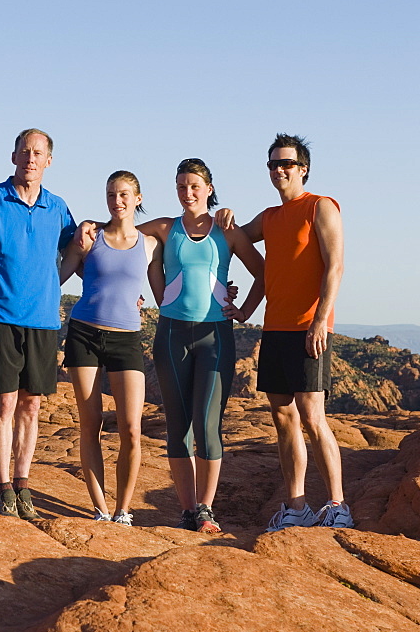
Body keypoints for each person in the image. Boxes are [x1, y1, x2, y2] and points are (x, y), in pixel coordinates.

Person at [142, 159, 265, 533]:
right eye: (181, 186)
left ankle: (206, 510)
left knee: (208, 426)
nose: (188, 192)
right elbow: (121, 235)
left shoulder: (227, 231)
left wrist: (245, 310)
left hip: (215, 336)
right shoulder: (165, 228)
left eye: (195, 186)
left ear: (209, 189)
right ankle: (186, 510)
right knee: (178, 427)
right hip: (171, 334)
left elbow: (264, 272)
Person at [239, 133, 353, 531]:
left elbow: (335, 266)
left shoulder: (321, 207)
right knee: (283, 416)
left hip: (309, 328)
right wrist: (220, 219)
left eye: (286, 163)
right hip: (275, 328)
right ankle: (297, 507)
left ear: (302, 168)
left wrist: (321, 320)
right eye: (273, 164)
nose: (279, 170)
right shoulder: (269, 217)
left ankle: (338, 505)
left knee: (312, 415)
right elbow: (236, 238)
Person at [0, 130, 76, 519]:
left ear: (49, 161)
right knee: (5, 402)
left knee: (31, 404)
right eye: (25, 151)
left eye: (38, 152)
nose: (31, 157)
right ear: (13, 155)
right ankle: (2, 488)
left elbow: (80, 253)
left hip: (43, 319)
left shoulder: (58, 208)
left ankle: (23, 484)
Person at [59, 171, 162, 525]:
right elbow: (57, 275)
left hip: (126, 338)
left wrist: (225, 294)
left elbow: (167, 291)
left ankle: (123, 510)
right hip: (84, 333)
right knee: (91, 424)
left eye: (123, 194)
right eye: (110, 194)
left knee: (131, 428)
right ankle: (101, 508)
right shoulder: (89, 237)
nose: (116, 201)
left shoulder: (150, 244)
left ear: (137, 198)